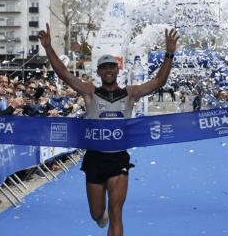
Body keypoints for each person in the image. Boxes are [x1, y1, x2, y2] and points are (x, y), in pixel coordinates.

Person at [39, 23, 179, 236]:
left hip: (118, 159)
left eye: (112, 67)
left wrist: (169, 53)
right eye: (104, 68)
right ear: (99, 72)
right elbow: (65, 75)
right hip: (95, 159)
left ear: (117, 70)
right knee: (98, 214)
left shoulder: (130, 94)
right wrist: (48, 47)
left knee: (116, 211)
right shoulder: (89, 92)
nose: (108, 70)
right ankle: (99, 217)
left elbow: (159, 81)